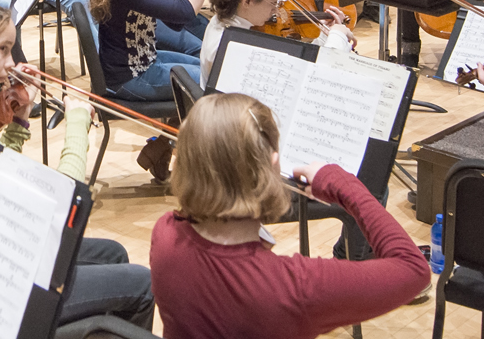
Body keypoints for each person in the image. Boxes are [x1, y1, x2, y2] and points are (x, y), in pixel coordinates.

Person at [0, 0, 158, 328]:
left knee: (112, 254)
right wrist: (77, 123)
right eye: (3, 49)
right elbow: (60, 208)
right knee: (142, 283)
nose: (12, 64)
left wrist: (19, 121)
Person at [148, 93, 431, 339]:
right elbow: (414, 270)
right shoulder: (297, 287)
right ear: (271, 167)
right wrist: (345, 185)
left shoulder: (165, 233)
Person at [199, 0, 353, 78]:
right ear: (248, 1)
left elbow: (296, 64)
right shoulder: (235, 47)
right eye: (274, 2)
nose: (277, 10)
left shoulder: (222, 23)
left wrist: (324, 37)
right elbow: (310, 77)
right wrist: (337, 38)